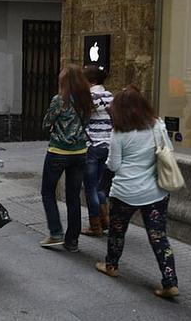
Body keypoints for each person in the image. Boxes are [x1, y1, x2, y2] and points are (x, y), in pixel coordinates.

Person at [95, 85, 179, 299]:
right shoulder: (157, 125)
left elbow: (113, 165)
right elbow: (167, 150)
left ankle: (111, 266)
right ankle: (170, 282)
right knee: (158, 236)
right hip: (155, 192)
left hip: (125, 192)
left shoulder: (119, 132)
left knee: (117, 231)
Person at [39, 64, 93, 252]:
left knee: (47, 192)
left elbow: (47, 122)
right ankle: (72, 241)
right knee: (73, 197)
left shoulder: (59, 100)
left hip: (58, 152)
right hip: (79, 153)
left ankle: (56, 233)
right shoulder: (87, 100)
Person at [81, 65, 114, 236]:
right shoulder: (110, 96)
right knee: (101, 186)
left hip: (92, 145)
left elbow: (82, 119)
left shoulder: (88, 97)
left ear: (91, 81)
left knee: (90, 187)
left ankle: (95, 226)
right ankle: (105, 219)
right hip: (108, 145)